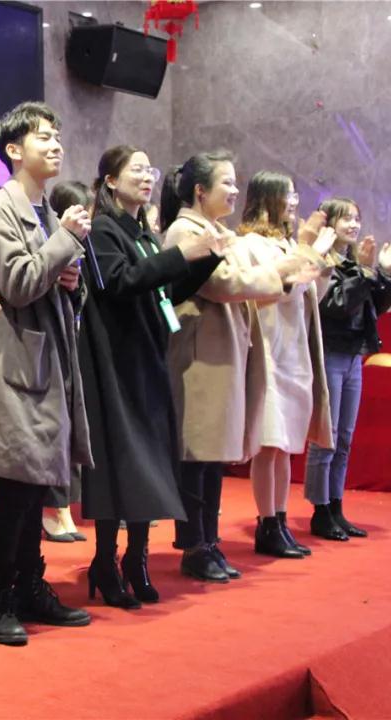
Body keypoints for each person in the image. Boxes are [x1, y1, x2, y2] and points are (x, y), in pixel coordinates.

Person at [0, 101, 92, 646]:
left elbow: (46, 279)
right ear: (14, 150)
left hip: (43, 361)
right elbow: (17, 284)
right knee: (16, 485)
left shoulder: (43, 212)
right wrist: (66, 240)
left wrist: (69, 278)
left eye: (57, 135)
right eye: (43, 136)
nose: (55, 144)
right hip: (11, 363)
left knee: (36, 483)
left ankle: (31, 586)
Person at [78, 145, 223, 609]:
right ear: (110, 180)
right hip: (116, 361)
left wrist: (206, 259)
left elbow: (163, 290)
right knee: (119, 463)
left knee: (151, 463)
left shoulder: (143, 232)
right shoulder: (102, 229)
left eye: (149, 171)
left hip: (149, 355)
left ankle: (136, 559)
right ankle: (105, 560)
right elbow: (118, 282)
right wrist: (181, 253)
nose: (146, 178)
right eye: (136, 170)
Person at [160, 151, 313, 582]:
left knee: (212, 457)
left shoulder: (216, 231)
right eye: (226, 183)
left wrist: (281, 274)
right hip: (199, 355)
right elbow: (223, 283)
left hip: (222, 351)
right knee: (197, 454)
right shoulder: (185, 231)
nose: (234, 190)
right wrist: (280, 271)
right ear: (200, 191)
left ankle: (209, 541)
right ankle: (194, 546)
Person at [236, 172, 335, 559]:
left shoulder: (288, 243)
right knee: (269, 443)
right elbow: (267, 291)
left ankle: (280, 518)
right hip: (268, 351)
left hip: (294, 352)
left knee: (286, 446)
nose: (294, 201)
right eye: (288, 194)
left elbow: (309, 295)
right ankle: (266, 524)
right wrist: (307, 249)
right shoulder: (249, 244)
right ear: (267, 199)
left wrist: (319, 261)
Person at [304, 198, 391, 540]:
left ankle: (336, 507)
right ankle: (320, 510)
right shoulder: (323, 261)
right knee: (326, 437)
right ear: (329, 223)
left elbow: (373, 307)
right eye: (345, 218)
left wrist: (385, 273)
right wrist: (363, 271)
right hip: (329, 353)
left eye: (356, 218)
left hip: (353, 356)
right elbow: (336, 305)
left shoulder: (353, 263)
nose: (353, 224)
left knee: (345, 438)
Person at [41, 179, 95, 544]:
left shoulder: (83, 248)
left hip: (73, 346)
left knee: (70, 429)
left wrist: (75, 288)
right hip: (45, 347)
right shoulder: (53, 242)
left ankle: (61, 507)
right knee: (53, 430)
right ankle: (53, 509)